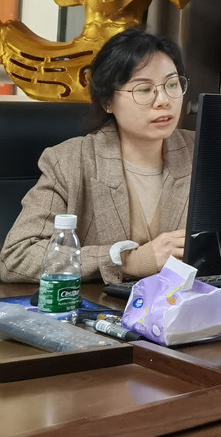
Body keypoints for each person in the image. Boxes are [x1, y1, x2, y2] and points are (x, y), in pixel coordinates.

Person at [0, 28, 194, 284]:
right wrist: (126, 261)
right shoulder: (70, 162)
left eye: (172, 84)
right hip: (100, 306)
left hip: (196, 303)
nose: (163, 100)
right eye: (144, 89)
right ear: (107, 102)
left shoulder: (205, 152)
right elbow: (17, 256)